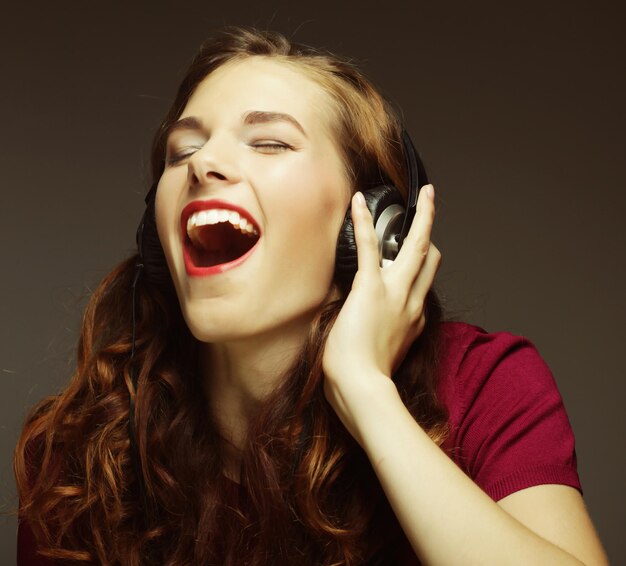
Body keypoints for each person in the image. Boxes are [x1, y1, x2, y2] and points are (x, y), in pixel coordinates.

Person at [14, 27, 608, 565]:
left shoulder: (484, 385)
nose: (205, 165)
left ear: (373, 226)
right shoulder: (79, 455)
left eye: (269, 143)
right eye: (183, 151)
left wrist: (366, 392)